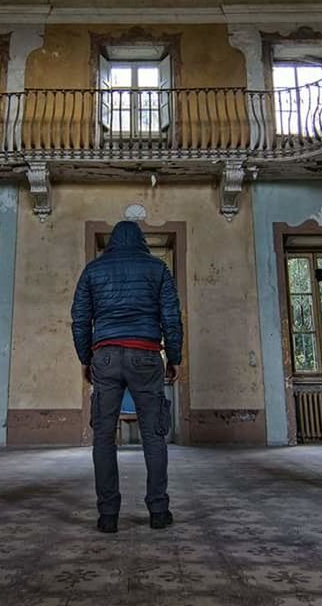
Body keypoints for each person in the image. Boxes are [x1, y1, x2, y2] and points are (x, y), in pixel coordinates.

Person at [71, 220, 183, 533]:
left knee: (103, 437)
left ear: (111, 242)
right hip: (146, 354)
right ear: (140, 240)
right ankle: (158, 511)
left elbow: (80, 318)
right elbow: (172, 317)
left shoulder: (93, 270)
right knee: (154, 435)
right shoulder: (157, 268)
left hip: (104, 356)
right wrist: (174, 357)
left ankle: (108, 516)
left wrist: (85, 358)